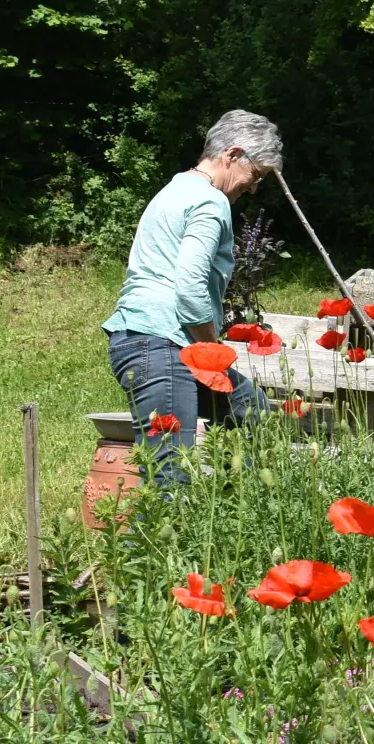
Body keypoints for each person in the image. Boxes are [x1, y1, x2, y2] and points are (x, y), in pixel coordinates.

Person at [102, 110, 281, 485]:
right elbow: (190, 283)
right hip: (163, 345)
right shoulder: (210, 201)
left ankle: (235, 505)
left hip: (143, 340)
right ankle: (163, 537)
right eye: (256, 175)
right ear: (233, 155)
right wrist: (211, 352)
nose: (253, 189)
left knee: (254, 411)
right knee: (169, 476)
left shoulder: (174, 189)